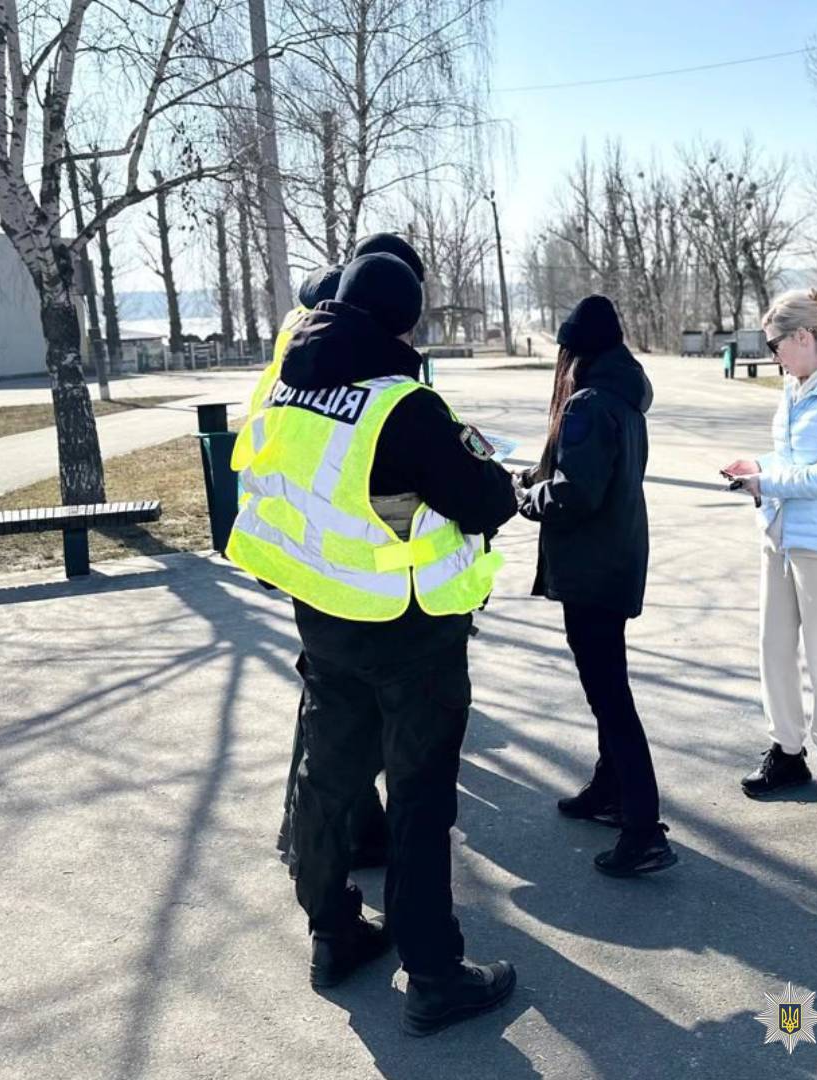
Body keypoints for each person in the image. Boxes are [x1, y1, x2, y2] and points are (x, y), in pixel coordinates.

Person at [227, 252, 519, 1035]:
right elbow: (489, 495)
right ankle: (433, 975)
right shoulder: (404, 405)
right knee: (420, 800)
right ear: (407, 321)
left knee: (330, 777)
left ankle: (333, 932)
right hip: (409, 629)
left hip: (324, 614)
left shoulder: (290, 386)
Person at [270, 236, 429, 874]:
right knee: (337, 737)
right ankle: (334, 849)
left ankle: (320, 877)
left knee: (326, 728)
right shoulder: (364, 363)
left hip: (310, 564)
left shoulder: (305, 347)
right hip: (358, 577)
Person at [515, 295, 677, 878]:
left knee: (610, 696)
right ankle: (610, 789)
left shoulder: (586, 403)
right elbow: (595, 477)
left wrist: (525, 496)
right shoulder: (625, 395)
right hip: (616, 559)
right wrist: (540, 478)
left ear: (572, 354)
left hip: (592, 568)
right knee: (606, 687)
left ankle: (643, 829)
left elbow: (574, 494)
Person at [722, 288, 817, 809]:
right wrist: (757, 467)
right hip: (781, 535)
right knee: (774, 646)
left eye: (776, 345)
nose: (774, 356)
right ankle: (787, 752)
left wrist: (768, 480)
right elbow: (792, 457)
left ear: (805, 337)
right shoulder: (794, 386)